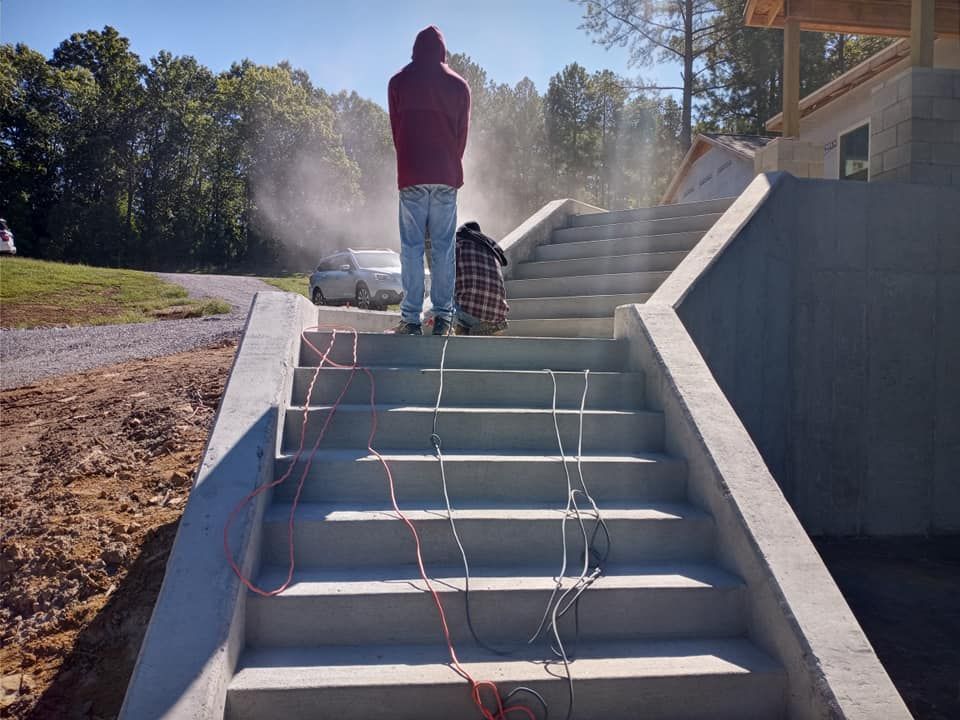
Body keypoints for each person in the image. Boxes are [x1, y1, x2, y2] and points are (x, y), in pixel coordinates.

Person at [388, 25, 471, 336]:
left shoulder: (398, 82)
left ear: (415, 49)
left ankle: (410, 319)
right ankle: (443, 318)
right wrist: (448, 163)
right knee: (443, 248)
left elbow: (396, 131)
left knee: (410, 247)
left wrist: (411, 161)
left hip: (411, 175)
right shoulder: (459, 86)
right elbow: (461, 136)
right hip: (445, 176)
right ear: (442, 51)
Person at [454, 221, 509, 335]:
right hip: (498, 314)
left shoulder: (458, 245)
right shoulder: (492, 250)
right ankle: (485, 325)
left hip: (470, 311)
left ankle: (465, 329)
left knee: (443, 302)